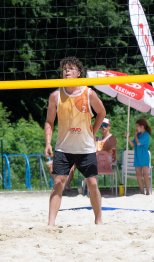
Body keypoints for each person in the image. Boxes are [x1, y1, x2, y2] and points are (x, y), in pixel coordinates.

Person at [44, 56, 106, 226]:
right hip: (63, 148)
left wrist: (93, 132)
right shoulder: (55, 95)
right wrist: (48, 142)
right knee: (58, 182)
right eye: (64, 69)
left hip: (85, 148)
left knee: (92, 184)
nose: (66, 71)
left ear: (79, 73)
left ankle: (98, 220)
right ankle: (51, 224)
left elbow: (102, 112)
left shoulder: (89, 93)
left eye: (70, 68)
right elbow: (49, 122)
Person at [127, 118, 152, 195]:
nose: (136, 128)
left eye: (137, 126)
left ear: (142, 126)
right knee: (138, 175)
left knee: (145, 175)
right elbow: (133, 144)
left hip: (144, 157)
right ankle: (142, 192)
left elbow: (138, 143)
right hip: (137, 157)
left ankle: (147, 192)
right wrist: (127, 137)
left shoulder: (146, 135)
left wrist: (135, 135)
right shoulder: (138, 135)